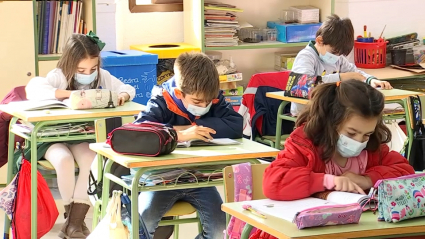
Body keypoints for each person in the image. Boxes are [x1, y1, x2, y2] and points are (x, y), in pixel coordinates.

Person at [25, 32, 135, 239]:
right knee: (64, 160)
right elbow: (34, 89)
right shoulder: (57, 76)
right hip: (51, 138)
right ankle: (71, 219)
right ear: (69, 64)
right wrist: (70, 94)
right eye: (81, 70)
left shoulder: (102, 76)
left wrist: (123, 95)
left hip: (80, 136)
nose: (88, 73)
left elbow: (128, 88)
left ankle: (75, 222)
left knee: (91, 159)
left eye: (92, 69)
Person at [135, 52, 242, 239]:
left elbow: (235, 125)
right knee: (143, 223)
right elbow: (140, 131)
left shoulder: (211, 96)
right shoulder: (161, 100)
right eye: (197, 102)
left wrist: (195, 127)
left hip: (199, 178)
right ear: (179, 93)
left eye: (208, 102)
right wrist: (180, 134)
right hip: (161, 180)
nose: (204, 105)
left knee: (220, 230)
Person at [263, 80, 415, 202]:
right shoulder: (305, 145)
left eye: (367, 134)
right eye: (351, 133)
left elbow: (406, 172)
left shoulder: (371, 149)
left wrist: (368, 180)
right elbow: (273, 182)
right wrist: (327, 181)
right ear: (331, 123)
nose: (359, 141)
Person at [290, 14, 393, 116]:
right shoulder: (306, 56)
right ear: (320, 41)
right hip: (307, 114)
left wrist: (371, 80)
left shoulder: (338, 58)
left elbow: (355, 73)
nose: (337, 57)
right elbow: (301, 86)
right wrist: (341, 77)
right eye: (334, 52)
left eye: (340, 54)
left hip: (328, 112)